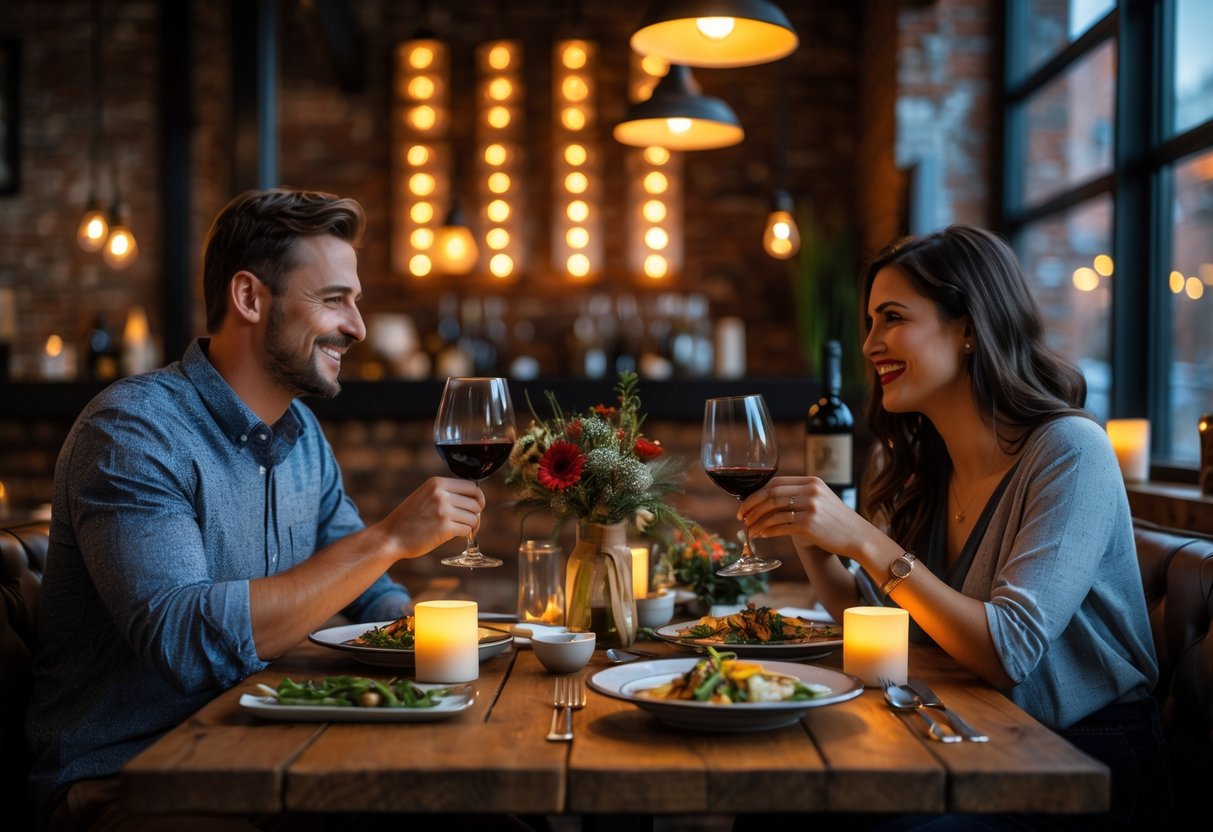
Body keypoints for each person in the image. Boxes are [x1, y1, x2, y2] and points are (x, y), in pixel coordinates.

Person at [26, 188, 485, 830]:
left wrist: (417, 639)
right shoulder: (134, 432)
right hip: (128, 782)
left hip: (266, 748)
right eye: (333, 300)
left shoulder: (302, 438)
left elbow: (367, 589)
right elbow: (185, 640)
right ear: (249, 298)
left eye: (354, 302)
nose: (355, 326)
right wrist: (387, 539)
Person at [740, 225, 1168, 830]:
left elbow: (1007, 651)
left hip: (1081, 756)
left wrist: (863, 539)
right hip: (971, 730)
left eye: (892, 318)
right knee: (776, 809)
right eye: (869, 323)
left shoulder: (1071, 451)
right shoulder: (926, 465)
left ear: (968, 326)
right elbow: (872, 620)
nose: (870, 344)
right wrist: (810, 538)